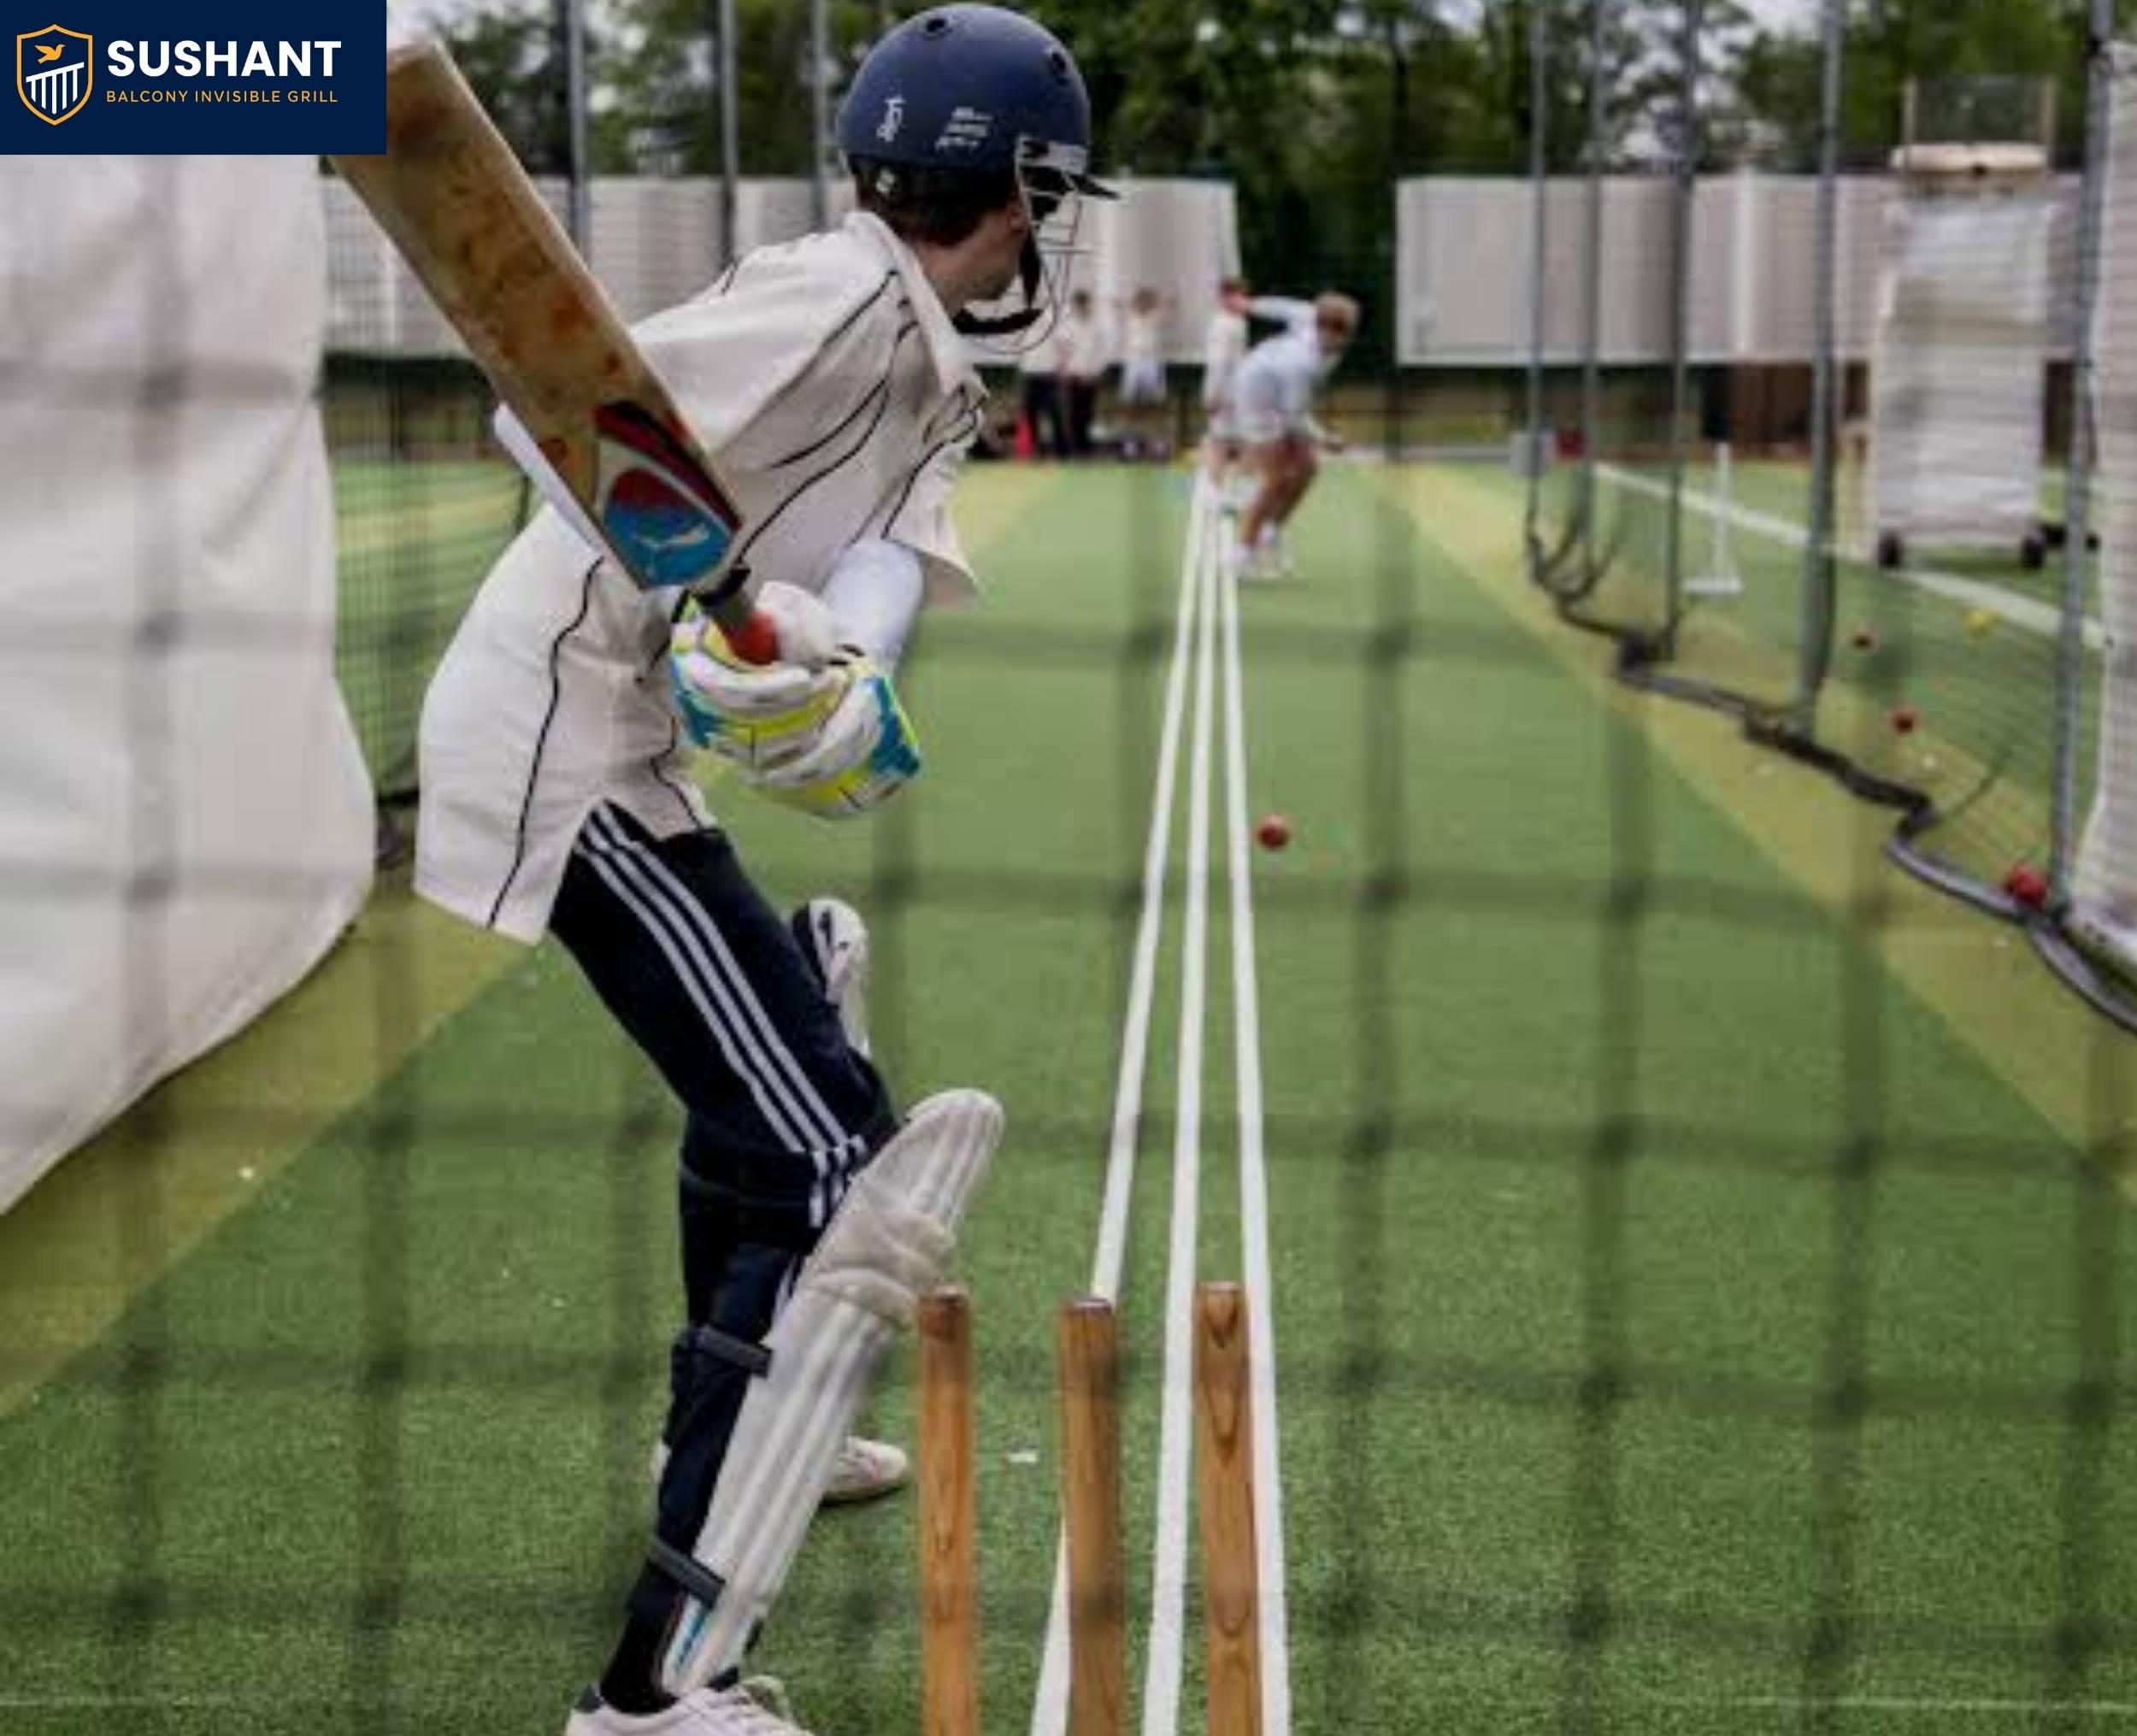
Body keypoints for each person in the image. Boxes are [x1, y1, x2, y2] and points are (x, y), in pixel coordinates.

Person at [410, 8, 1112, 1733]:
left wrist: (835, 668)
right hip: (559, 740)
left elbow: (881, 550)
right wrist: (728, 610)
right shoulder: (838, 295)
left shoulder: (923, 345)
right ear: (1000, 182)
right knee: (820, 1153)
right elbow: (561, 415)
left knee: (787, 1089)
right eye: (1041, 188)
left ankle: (711, 1429)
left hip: (624, 738)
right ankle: (657, 1686)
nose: (1048, 224)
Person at [1230, 289, 1359, 580]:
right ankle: (1241, 553)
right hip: (1257, 397)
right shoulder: (1302, 364)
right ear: (1323, 328)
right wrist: (1327, 439)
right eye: (1340, 332)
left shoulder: (1312, 316)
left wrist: (1248, 304)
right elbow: (1294, 417)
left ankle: (1270, 533)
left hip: (1280, 393)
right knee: (1276, 478)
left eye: (1348, 331)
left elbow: (1282, 307)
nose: (1345, 338)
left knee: (1308, 467)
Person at [1200, 275, 1251, 491]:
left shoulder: (1236, 322)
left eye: (1243, 296)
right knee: (1222, 443)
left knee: (1235, 443)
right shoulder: (1224, 324)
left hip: (1238, 393)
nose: (1243, 301)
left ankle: (1227, 492)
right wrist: (1213, 395)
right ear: (1224, 297)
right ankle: (1219, 493)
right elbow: (1218, 364)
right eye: (1238, 296)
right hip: (1226, 394)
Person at [1114, 284, 1173, 460]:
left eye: (1146, 300)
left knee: (1156, 405)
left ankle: (1158, 444)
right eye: (1140, 300)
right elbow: (1117, 304)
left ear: (1151, 302)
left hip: (1152, 362)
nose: (1143, 304)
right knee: (1130, 405)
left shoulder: (1157, 317)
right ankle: (1130, 445)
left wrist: (1164, 299)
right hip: (1133, 361)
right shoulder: (1129, 316)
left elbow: (1170, 305)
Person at [1056, 286, 1110, 458]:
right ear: (1074, 306)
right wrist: (1064, 371)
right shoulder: (1068, 326)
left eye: (1084, 304)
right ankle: (1075, 450)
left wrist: (1096, 372)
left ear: (1089, 305)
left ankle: (1086, 448)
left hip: (1091, 376)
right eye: (1078, 304)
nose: (1081, 307)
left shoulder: (1097, 327)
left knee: (1088, 413)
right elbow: (1063, 350)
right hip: (1073, 375)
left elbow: (1102, 352)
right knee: (1072, 414)